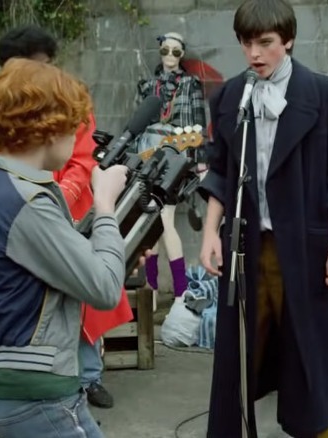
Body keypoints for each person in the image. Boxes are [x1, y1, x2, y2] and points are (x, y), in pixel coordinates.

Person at [197, 1, 328, 436]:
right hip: (247, 245)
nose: (255, 53)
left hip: (306, 246)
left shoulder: (327, 95)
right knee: (239, 353)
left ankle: (315, 429)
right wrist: (211, 232)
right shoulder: (232, 94)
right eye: (247, 43)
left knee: (306, 351)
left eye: (266, 43)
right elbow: (221, 167)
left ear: (287, 40)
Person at [0, 58, 130, 438]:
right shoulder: (27, 202)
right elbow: (103, 288)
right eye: (73, 127)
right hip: (38, 397)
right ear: (49, 130)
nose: (78, 138)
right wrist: (106, 206)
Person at [135, 31, 208, 303]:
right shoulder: (147, 85)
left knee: (165, 219)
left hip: (176, 154)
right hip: (147, 155)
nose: (169, 56)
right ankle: (150, 290)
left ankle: (179, 290)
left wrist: (199, 161)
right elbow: (137, 123)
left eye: (176, 52)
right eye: (165, 50)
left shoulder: (190, 84)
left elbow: (198, 124)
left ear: (182, 55)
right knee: (149, 220)